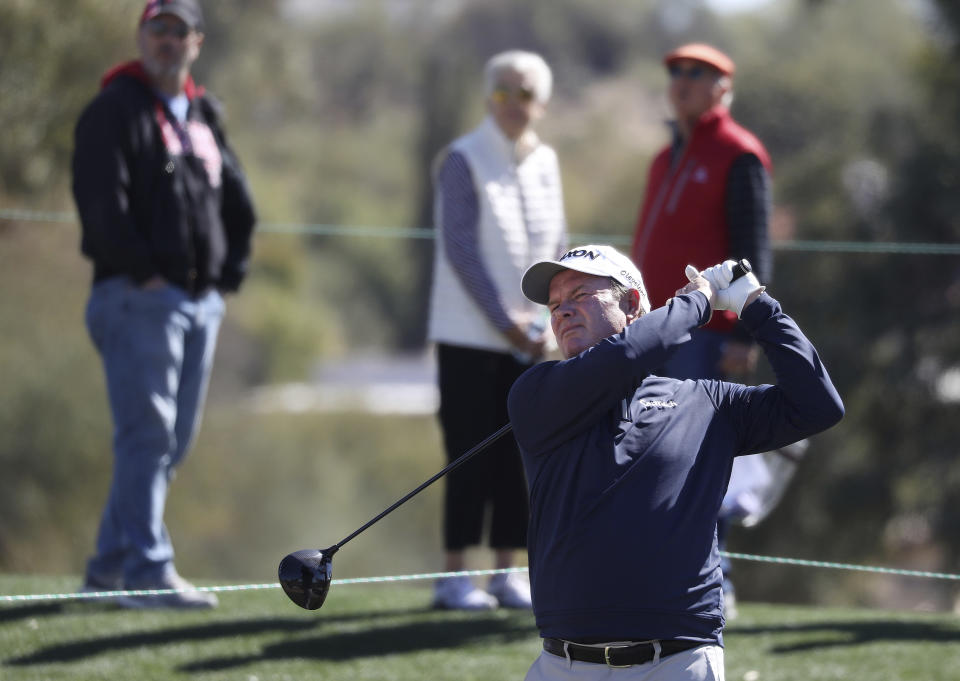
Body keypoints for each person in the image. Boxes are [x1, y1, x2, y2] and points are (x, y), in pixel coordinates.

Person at [508, 245, 843, 679]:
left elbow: (818, 405)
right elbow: (626, 356)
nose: (562, 312)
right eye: (554, 305)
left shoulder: (707, 402)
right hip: (564, 664)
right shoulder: (536, 393)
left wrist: (755, 305)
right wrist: (697, 301)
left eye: (580, 295)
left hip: (678, 662)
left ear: (632, 304)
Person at [72, 0, 256, 609]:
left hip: (197, 303)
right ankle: (148, 572)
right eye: (158, 30)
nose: (167, 42)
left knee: (169, 442)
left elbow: (235, 199)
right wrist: (147, 274)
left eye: (179, 32)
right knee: (147, 437)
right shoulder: (114, 109)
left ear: (196, 42)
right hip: (136, 299)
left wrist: (228, 273)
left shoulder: (204, 113)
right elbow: (101, 203)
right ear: (141, 36)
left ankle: (107, 569)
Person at [630, 42, 777, 615]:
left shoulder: (738, 153)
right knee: (655, 453)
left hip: (712, 334)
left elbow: (752, 250)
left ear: (723, 87)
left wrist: (746, 335)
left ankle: (717, 580)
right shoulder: (665, 158)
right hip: (657, 332)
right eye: (675, 71)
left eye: (698, 72)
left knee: (706, 456)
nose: (682, 80)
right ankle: (665, 575)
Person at [426, 49, 568, 610]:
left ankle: (508, 572)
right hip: (468, 338)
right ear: (490, 98)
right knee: (467, 455)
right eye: (505, 92)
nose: (515, 103)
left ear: (542, 103)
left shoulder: (546, 161)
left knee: (519, 454)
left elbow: (556, 245)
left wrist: (547, 318)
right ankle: (453, 575)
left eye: (526, 94)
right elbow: (462, 251)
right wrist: (505, 323)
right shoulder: (462, 158)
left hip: (532, 339)